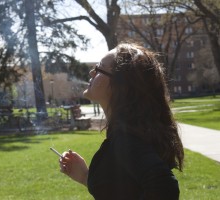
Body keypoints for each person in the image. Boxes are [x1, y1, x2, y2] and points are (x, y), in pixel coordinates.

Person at [59, 42, 184, 199]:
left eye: (99, 68)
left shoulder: (127, 140)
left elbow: (165, 187)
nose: (92, 72)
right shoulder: (128, 134)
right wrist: (85, 176)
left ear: (120, 85)